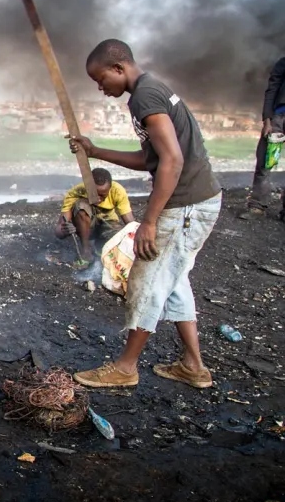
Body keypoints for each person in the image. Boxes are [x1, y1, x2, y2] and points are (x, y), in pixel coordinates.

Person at [70, 39, 222, 391]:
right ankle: (193, 365)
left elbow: (172, 161)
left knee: (146, 278)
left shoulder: (145, 97)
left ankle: (125, 368)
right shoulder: (151, 91)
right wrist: (96, 151)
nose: (100, 87)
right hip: (197, 201)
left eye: (100, 78)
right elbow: (150, 159)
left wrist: (149, 222)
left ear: (119, 68)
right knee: (174, 279)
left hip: (186, 204)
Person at [54, 167, 136, 264]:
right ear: (88, 187)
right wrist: (65, 230)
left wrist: (137, 240)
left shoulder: (117, 191)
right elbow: (58, 230)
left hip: (108, 224)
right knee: (81, 206)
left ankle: (100, 247)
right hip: (86, 229)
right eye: (94, 194)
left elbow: (131, 225)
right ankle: (86, 250)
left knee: (119, 237)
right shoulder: (76, 192)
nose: (98, 199)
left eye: (103, 195)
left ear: (109, 189)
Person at [240, 55, 285, 221]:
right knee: (265, 161)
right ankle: (257, 206)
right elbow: (272, 89)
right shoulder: (283, 62)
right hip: (278, 118)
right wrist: (267, 118)